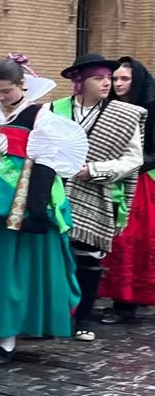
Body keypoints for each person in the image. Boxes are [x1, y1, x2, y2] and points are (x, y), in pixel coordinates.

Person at [0, 55, 86, 366]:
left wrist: (37, 211)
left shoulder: (40, 116)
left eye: (6, 91)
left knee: (12, 276)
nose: (0, 97)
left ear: (22, 85)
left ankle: (7, 339)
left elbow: (45, 166)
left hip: (19, 207)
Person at [51, 53, 146, 341]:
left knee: (88, 258)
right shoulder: (54, 110)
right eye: (99, 78)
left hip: (97, 192)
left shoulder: (124, 115)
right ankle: (55, 316)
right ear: (79, 82)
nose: (107, 83)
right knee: (55, 256)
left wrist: (94, 170)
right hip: (56, 192)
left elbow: (133, 159)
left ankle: (83, 318)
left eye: (109, 78)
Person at [101, 57, 155, 324]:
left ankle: (127, 303)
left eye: (125, 79)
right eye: (115, 79)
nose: (118, 84)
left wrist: (131, 163)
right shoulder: (108, 108)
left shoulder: (151, 108)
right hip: (112, 178)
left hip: (144, 182)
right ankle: (119, 298)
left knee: (133, 240)